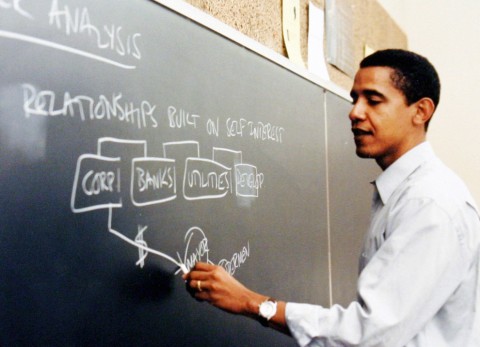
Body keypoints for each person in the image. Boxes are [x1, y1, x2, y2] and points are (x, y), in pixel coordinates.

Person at [183, 49, 480, 346]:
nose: (355, 112)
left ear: (421, 111)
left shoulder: (429, 204)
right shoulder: (409, 193)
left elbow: (368, 334)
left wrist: (252, 302)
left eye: (373, 101)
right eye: (355, 99)